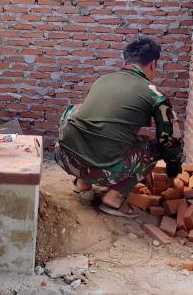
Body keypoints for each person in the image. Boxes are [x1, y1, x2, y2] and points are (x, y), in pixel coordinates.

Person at [54, 36, 183, 217]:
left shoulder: (103, 80)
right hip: (102, 169)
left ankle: (83, 184)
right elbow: (170, 140)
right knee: (157, 147)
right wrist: (173, 168)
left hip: (64, 157)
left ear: (125, 61)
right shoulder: (154, 94)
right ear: (153, 64)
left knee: (83, 117)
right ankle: (113, 198)